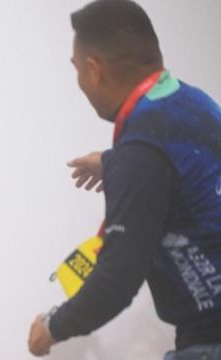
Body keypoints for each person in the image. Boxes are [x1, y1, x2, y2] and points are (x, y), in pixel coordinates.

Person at [28, 1, 221, 359]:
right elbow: (185, 158)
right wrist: (112, 161)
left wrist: (52, 327)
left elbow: (117, 282)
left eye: (77, 70)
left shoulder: (142, 154)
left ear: (94, 71)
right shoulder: (194, 103)